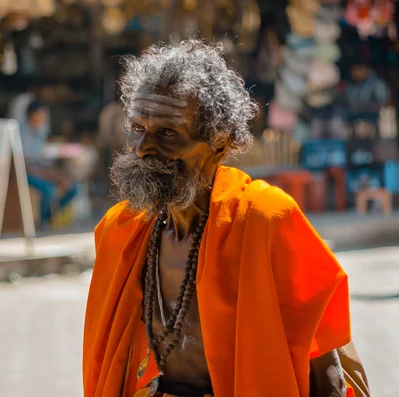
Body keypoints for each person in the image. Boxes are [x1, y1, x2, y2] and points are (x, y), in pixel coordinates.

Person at [83, 40, 370, 397]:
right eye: (138, 127)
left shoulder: (265, 219)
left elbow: (322, 356)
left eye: (168, 133)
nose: (142, 147)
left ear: (219, 143)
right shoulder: (119, 231)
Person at [20, 100, 77, 227]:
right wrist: (46, 175)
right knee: (49, 190)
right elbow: (24, 165)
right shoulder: (22, 134)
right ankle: (43, 221)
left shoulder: (41, 133)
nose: (44, 117)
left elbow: (44, 160)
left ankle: (49, 217)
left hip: (41, 171)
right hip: (27, 174)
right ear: (32, 115)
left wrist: (55, 175)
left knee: (72, 188)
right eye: (41, 114)